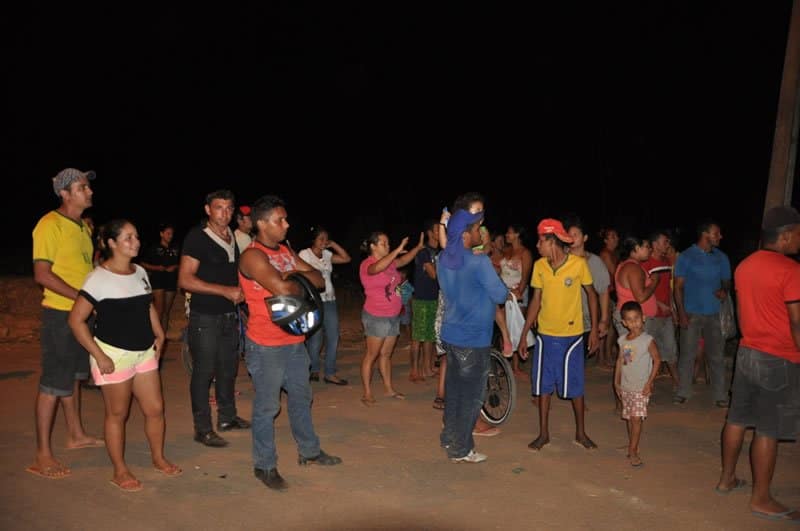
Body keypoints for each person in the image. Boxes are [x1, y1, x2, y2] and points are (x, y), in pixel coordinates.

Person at [239, 195, 342, 491]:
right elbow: (283, 287)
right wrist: (293, 278)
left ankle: (309, 451)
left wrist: (290, 272)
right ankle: (264, 464)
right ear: (261, 224)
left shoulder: (284, 250)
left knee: (301, 398)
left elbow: (320, 280)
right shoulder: (252, 256)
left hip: (294, 340)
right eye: (279, 220)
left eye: (285, 218)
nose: (287, 223)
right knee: (267, 407)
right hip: (266, 343)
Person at [68, 220, 180, 491]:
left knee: (155, 409)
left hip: (143, 352)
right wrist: (99, 355)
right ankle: (119, 470)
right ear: (111, 243)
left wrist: (159, 332)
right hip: (113, 355)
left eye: (137, 236)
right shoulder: (98, 278)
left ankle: (158, 457)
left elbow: (147, 304)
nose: (136, 242)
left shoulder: (139, 271)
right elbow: (76, 321)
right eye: (128, 237)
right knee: (117, 414)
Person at [716, 206, 800, 523]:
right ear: (787, 234)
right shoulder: (790, 270)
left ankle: (726, 479)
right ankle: (762, 498)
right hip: (777, 358)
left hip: (747, 352)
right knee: (768, 428)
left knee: (736, 419)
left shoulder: (746, 266)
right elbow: (796, 323)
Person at [27, 168, 104, 481]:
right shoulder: (49, 225)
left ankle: (75, 434)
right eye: (83, 187)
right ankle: (42, 454)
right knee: (52, 384)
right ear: (65, 193)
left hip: (78, 316)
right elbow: (42, 274)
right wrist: (82, 298)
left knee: (72, 377)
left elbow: (82, 269)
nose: (89, 191)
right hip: (60, 315)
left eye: (87, 186)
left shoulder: (82, 228)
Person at [518, 218, 599, 451]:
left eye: (540, 241)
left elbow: (591, 295)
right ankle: (543, 434)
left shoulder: (578, 264)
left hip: (572, 336)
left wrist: (593, 329)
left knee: (576, 386)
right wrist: (525, 334)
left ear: (551, 241)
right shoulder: (540, 267)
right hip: (545, 335)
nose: (537, 246)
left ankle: (581, 433)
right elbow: (536, 300)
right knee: (543, 386)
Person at [178, 189, 249, 448]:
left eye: (229, 208)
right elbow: (184, 279)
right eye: (219, 208)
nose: (225, 213)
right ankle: (203, 428)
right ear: (208, 210)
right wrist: (225, 291)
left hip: (229, 315)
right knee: (204, 372)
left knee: (228, 370)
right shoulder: (197, 237)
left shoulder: (232, 237)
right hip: (205, 315)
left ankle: (227, 418)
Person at [437, 208, 508, 462]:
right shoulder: (478, 263)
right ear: (465, 235)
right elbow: (500, 295)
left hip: (452, 334)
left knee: (455, 392)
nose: (481, 233)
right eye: (477, 229)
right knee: (471, 398)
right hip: (474, 338)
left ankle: (449, 437)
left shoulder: (443, 259)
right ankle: (461, 449)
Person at [358, 230, 424, 406]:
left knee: (386, 354)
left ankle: (388, 389)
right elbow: (377, 268)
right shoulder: (367, 264)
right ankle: (367, 392)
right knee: (372, 355)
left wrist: (417, 248)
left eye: (388, 243)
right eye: (384, 243)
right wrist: (396, 249)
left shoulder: (391, 263)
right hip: (376, 316)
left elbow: (403, 260)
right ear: (373, 246)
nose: (388, 246)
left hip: (393, 315)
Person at [672, 220, 732, 407]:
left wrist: (724, 290)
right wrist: (681, 313)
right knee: (687, 355)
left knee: (716, 356)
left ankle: (720, 395)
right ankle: (683, 391)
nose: (720, 236)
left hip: (714, 313)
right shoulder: (686, 257)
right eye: (717, 233)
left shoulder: (721, 257)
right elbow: (678, 287)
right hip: (691, 313)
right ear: (705, 235)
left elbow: (726, 282)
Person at [298, 226, 351, 385]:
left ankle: (329, 372)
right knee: (315, 338)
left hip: (329, 300)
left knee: (333, 336)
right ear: (313, 239)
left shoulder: (327, 255)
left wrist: (333, 244)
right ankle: (313, 369)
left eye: (326, 238)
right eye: (320, 238)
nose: (323, 241)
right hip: (312, 301)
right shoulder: (304, 254)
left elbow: (346, 258)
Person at [614, 301, 661, 468]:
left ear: (643, 318)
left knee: (636, 419)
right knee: (629, 417)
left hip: (641, 388)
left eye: (636, 318)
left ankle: (633, 450)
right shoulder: (623, 340)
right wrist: (616, 381)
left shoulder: (647, 340)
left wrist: (649, 382)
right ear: (624, 323)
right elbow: (622, 361)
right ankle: (632, 445)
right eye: (629, 320)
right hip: (627, 386)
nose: (634, 322)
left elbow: (657, 360)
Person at [140, 223, 180, 337]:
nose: (170, 236)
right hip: (158, 280)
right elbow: (142, 263)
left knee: (167, 311)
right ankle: (153, 336)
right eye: (168, 233)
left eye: (172, 233)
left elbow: (181, 263)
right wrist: (157, 268)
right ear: (161, 234)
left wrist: (175, 267)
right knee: (159, 310)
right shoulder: (154, 248)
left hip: (171, 281)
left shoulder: (175, 248)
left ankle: (163, 336)